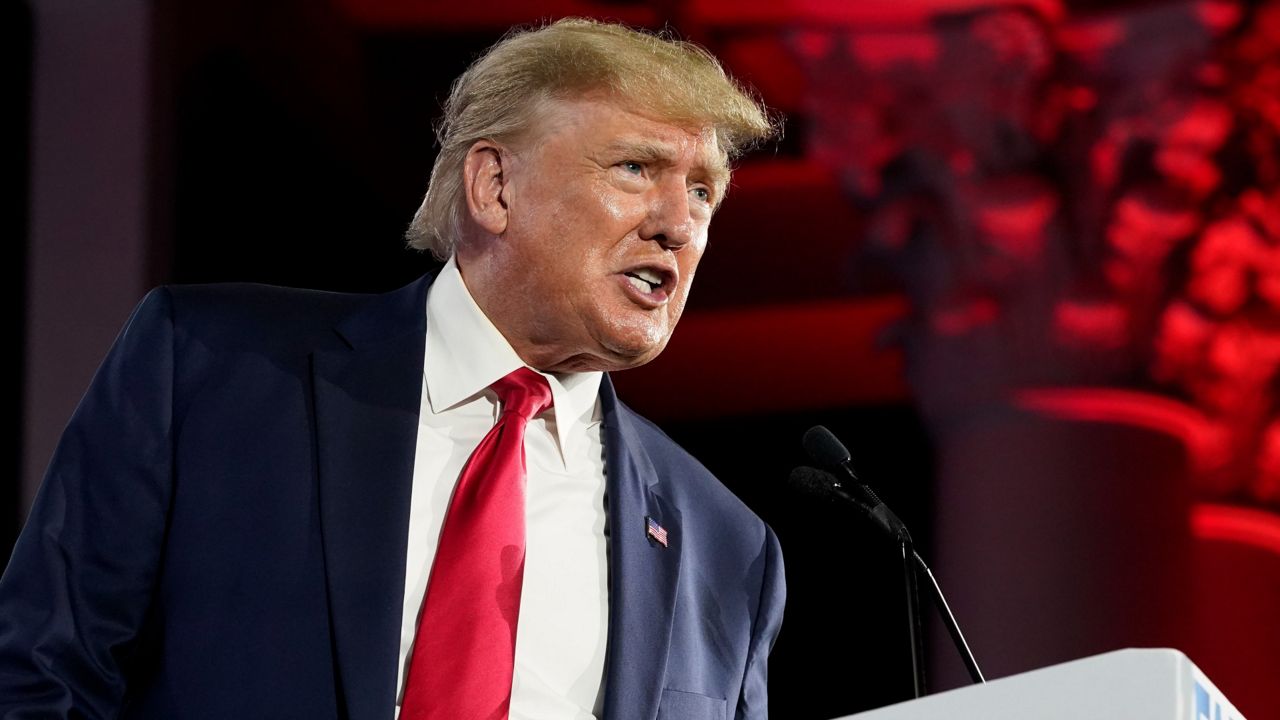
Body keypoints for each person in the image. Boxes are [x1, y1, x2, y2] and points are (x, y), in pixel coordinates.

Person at [0, 17, 784, 720]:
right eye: (636, 169)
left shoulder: (725, 547)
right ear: (495, 186)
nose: (679, 224)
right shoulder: (210, 370)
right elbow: (42, 674)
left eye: (704, 191)